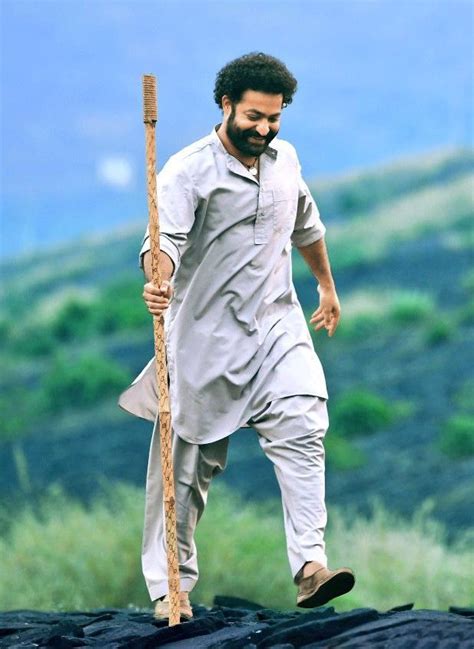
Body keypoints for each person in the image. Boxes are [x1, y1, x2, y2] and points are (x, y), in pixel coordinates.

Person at [118, 52, 355, 621]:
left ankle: (309, 567)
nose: (264, 128)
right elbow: (164, 242)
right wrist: (158, 279)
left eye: (273, 118)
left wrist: (325, 286)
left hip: (277, 322)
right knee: (184, 470)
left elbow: (306, 225)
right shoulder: (187, 170)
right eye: (253, 116)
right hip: (204, 336)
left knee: (304, 420)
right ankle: (169, 587)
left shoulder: (285, 159)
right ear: (225, 105)